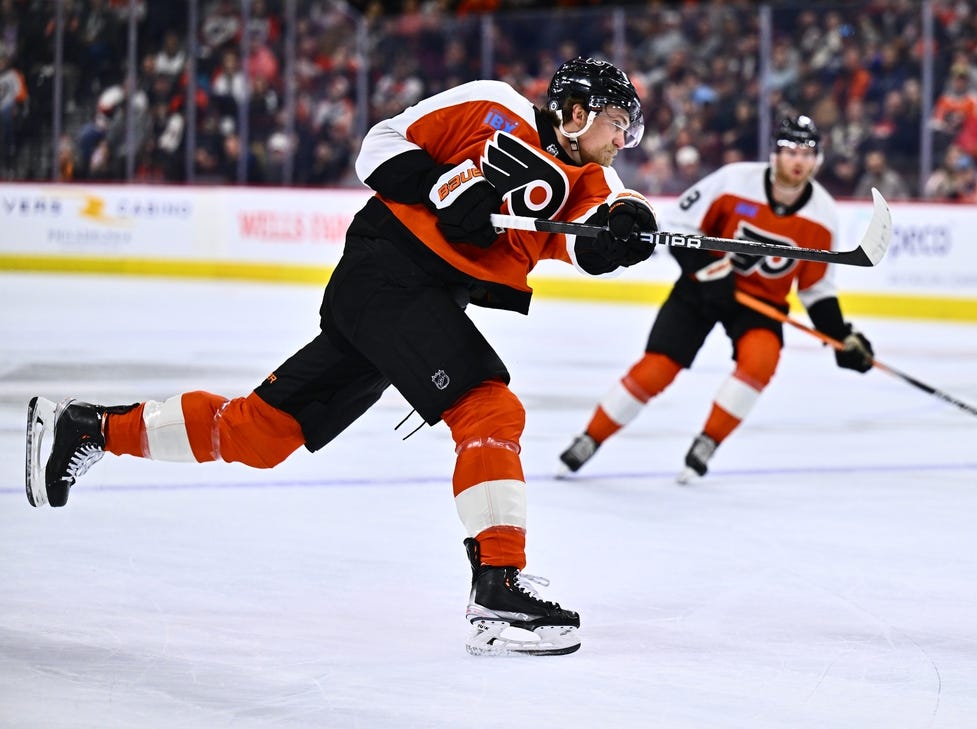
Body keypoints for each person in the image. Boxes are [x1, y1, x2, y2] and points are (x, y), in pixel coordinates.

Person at [25, 57, 658, 657]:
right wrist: (442, 186)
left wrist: (628, 231)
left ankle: (88, 428)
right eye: (617, 124)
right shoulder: (490, 104)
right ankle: (497, 589)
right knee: (489, 409)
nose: (621, 140)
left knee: (258, 434)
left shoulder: (594, 180)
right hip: (384, 271)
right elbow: (379, 146)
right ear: (576, 111)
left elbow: (600, 229)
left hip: (419, 302)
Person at [558, 115, 874, 483]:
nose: (797, 160)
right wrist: (711, 273)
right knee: (658, 367)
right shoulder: (734, 181)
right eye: (789, 150)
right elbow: (678, 226)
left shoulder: (823, 215)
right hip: (701, 288)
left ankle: (707, 442)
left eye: (806, 152)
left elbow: (816, 289)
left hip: (761, 304)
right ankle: (590, 438)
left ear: (818, 159)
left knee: (760, 363)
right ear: (774, 154)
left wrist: (840, 336)